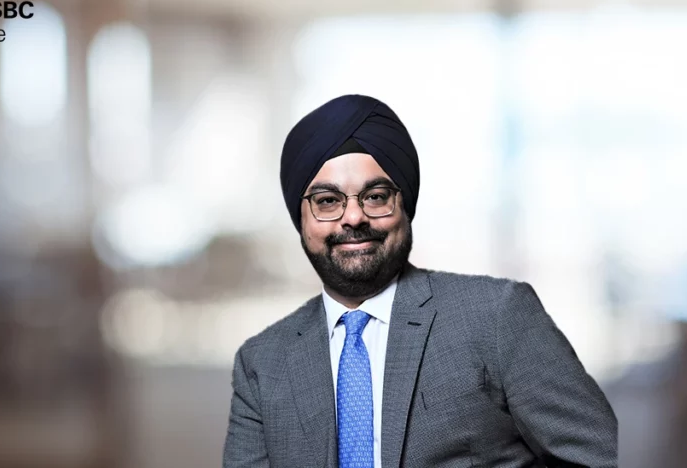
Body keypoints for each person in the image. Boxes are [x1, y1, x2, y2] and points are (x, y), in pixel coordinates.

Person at [223, 95, 617, 468]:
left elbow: (596, 458)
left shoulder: (496, 315)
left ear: (405, 206)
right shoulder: (262, 363)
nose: (354, 217)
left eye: (375, 196)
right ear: (302, 220)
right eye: (327, 201)